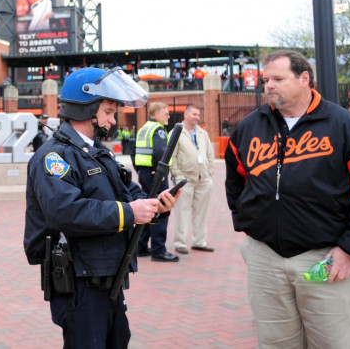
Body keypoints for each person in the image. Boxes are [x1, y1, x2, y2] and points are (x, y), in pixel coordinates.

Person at [225, 49, 350, 348]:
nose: (269, 86)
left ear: (305, 78)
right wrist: (248, 225)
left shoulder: (346, 125)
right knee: (275, 344)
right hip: (266, 259)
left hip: (327, 257)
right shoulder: (249, 126)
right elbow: (235, 181)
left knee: (333, 344)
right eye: (266, 80)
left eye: (278, 78)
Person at [24, 67, 179, 347]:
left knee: (118, 340)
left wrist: (157, 205)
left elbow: (128, 192)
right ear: (85, 109)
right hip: (79, 282)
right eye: (108, 111)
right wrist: (130, 213)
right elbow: (67, 213)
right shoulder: (52, 157)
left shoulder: (97, 152)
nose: (112, 119)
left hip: (108, 276)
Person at [134, 102, 179, 262]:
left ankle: (141, 247)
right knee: (160, 209)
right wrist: (160, 173)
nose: (168, 116)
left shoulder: (143, 128)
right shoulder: (158, 130)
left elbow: (134, 153)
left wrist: (140, 170)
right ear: (157, 114)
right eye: (166, 113)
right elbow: (161, 153)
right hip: (156, 174)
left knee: (147, 209)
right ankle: (158, 250)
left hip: (145, 173)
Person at [170, 104, 215, 254]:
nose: (196, 117)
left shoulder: (203, 133)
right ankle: (180, 243)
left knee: (201, 213)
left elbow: (209, 154)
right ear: (186, 114)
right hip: (185, 180)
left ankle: (199, 242)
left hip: (204, 180)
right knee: (182, 212)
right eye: (194, 114)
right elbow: (172, 156)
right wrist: (178, 176)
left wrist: (209, 172)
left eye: (198, 114)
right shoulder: (176, 132)